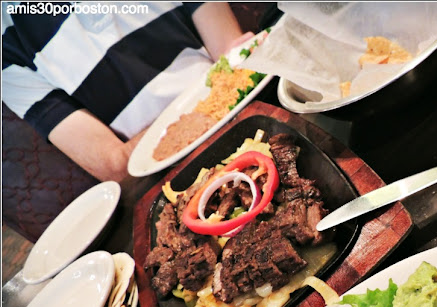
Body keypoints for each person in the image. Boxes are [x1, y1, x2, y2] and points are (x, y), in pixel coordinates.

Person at [1, 1, 254, 182]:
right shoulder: (6, 48)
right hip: (170, 173)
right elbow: (115, 164)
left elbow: (231, 55)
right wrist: (211, 103)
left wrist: (239, 63)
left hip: (246, 111)